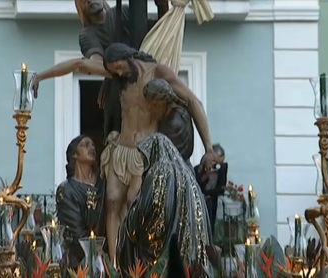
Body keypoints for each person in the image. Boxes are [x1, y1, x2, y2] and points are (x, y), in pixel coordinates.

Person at [33, 42, 215, 262]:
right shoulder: (118, 74)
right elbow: (80, 64)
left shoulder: (158, 72)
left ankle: (135, 261)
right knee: (111, 202)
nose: (117, 73)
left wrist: (209, 148)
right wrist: (39, 77)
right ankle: (116, 265)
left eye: (119, 67)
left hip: (144, 154)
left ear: (128, 58)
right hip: (121, 152)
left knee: (134, 203)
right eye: (114, 70)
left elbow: (193, 101)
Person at [116, 133, 213, 275]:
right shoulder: (189, 176)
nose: (145, 164)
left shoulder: (159, 170)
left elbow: (146, 210)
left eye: (145, 158)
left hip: (164, 259)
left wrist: (129, 218)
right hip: (191, 261)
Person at [55, 135, 106, 269]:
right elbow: (75, 232)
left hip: (108, 258)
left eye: (93, 145)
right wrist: (96, 253)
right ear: (74, 155)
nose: (92, 148)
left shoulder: (104, 185)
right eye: (85, 145)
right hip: (80, 263)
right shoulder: (66, 190)